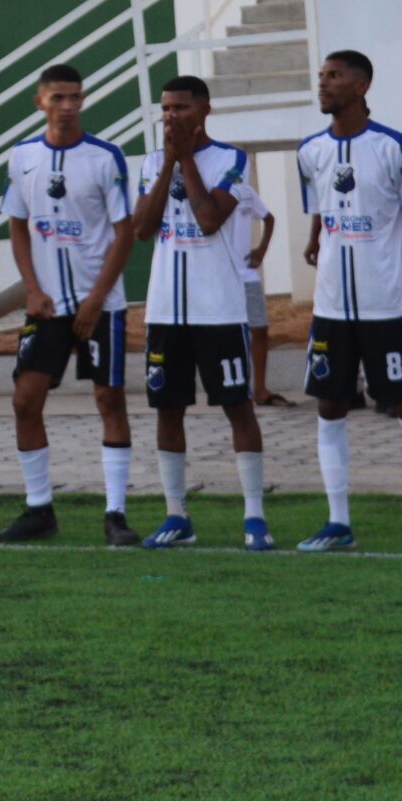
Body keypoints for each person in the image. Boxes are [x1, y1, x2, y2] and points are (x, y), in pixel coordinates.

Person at [294, 51, 402, 555]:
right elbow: (321, 211)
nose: (323, 83)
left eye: (333, 76)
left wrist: (380, 255)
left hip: (386, 307)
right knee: (330, 405)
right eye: (321, 76)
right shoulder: (310, 150)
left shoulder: (394, 146)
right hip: (331, 307)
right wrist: (319, 240)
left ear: (361, 86)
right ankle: (338, 521)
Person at [0, 63, 138, 547]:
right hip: (47, 306)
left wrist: (95, 300)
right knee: (25, 400)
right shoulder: (22, 156)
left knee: (109, 400)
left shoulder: (105, 157)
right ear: (40, 102)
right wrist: (31, 290)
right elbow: (17, 224)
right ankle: (39, 509)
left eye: (75, 97)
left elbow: (125, 233)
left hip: (101, 305)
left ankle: (115, 514)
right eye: (58, 98)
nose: (68, 106)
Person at [130, 77, 272, 550]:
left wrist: (185, 158)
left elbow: (209, 219)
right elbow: (142, 229)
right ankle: (177, 515)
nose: (171, 116)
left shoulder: (231, 159)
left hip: (218, 310)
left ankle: (255, 517)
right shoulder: (151, 162)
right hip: (165, 311)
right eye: (166, 108)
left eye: (181, 108)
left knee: (238, 407)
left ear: (205, 110)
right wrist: (168, 163)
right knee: (168, 410)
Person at [234, 174, 286, 407]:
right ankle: (235, 386)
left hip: (247, 274)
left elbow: (269, 218)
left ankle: (260, 388)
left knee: (259, 328)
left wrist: (262, 249)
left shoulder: (245, 191)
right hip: (222, 277)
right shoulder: (211, 194)